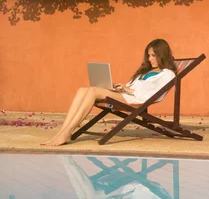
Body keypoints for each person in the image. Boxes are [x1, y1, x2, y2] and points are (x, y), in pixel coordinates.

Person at [42, 38, 177, 146]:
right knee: (82, 90)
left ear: (162, 55)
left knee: (93, 91)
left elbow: (154, 94)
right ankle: (62, 131)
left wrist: (128, 89)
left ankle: (67, 132)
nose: (149, 59)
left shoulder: (167, 74)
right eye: (148, 55)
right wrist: (121, 88)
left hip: (134, 99)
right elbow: (135, 86)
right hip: (126, 95)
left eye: (153, 55)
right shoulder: (147, 71)